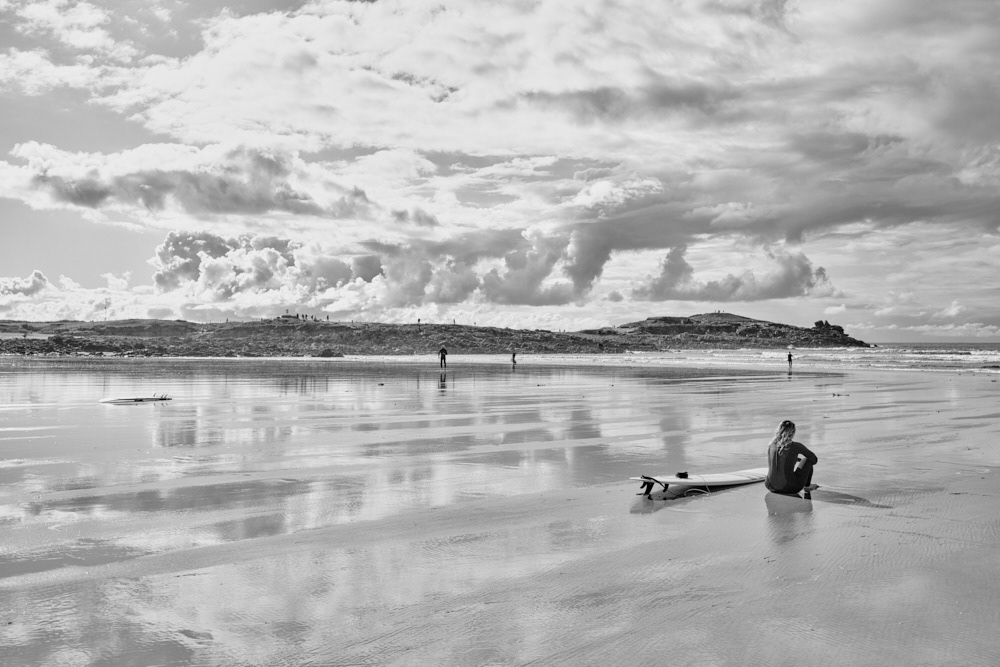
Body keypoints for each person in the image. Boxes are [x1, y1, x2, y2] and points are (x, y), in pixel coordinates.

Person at [765, 420, 819, 497]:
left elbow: (779, 459)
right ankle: (807, 486)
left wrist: (793, 458)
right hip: (790, 487)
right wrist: (800, 461)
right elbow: (814, 459)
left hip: (770, 486)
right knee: (807, 460)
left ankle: (806, 485)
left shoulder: (771, 445)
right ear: (793, 432)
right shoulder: (795, 446)